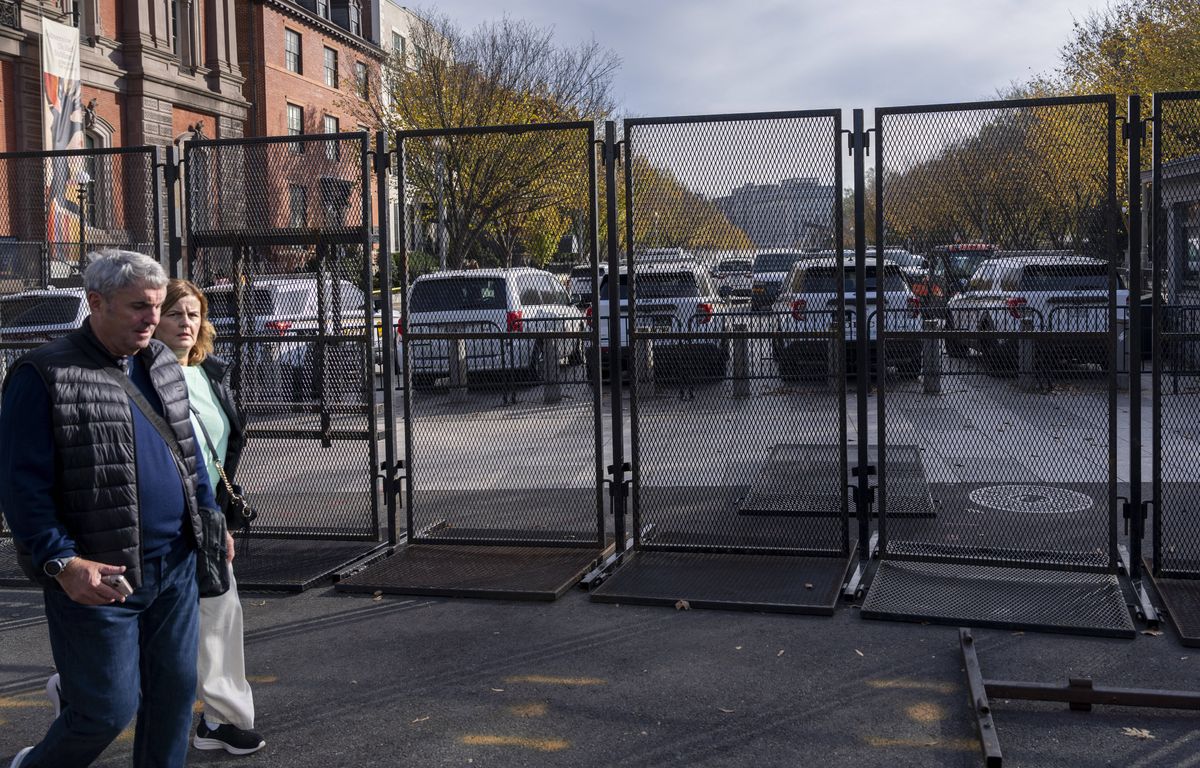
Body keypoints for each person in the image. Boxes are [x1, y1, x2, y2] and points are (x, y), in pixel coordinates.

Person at [0, 250, 219, 768]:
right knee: (104, 710)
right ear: (95, 303)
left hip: (176, 567)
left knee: (171, 701)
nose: (153, 318)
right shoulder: (43, 374)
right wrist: (63, 563)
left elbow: (187, 453)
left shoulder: (161, 362)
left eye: (158, 305)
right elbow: (20, 487)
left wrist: (209, 521)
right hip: (101, 575)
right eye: (140, 307)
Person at [155, 278, 265, 755]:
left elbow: (220, 448)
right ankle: (77, 690)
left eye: (193, 314)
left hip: (207, 518)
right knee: (140, 623)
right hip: (157, 519)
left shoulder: (209, 373)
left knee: (221, 612)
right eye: (175, 313)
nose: (185, 323)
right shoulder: (140, 376)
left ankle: (221, 720)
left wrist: (216, 515)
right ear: (154, 321)